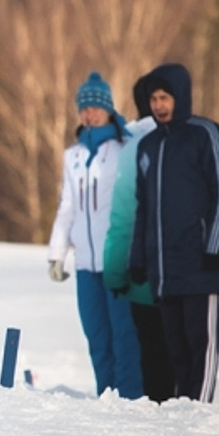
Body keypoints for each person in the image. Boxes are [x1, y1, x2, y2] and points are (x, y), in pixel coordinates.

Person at [128, 62, 219, 403]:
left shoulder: (207, 134)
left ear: (181, 96)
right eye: (154, 99)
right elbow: (143, 207)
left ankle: (199, 408)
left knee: (199, 344)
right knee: (174, 349)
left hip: (199, 262)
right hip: (165, 268)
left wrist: (215, 247)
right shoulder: (148, 147)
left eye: (165, 97)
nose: (159, 105)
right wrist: (139, 258)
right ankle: (182, 410)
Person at [45, 72, 141, 398]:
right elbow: (67, 207)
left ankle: (129, 399)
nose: (90, 114)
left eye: (96, 107)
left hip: (116, 259)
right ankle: (106, 396)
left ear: (108, 109)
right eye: (84, 108)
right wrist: (57, 254)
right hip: (85, 261)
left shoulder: (123, 149)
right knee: (97, 336)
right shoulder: (72, 157)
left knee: (123, 335)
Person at [100, 73, 174, 402]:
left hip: (143, 273)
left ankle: (155, 413)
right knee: (182, 355)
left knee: (151, 353)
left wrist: (115, 272)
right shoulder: (196, 137)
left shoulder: (132, 148)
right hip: (184, 275)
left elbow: (122, 219)